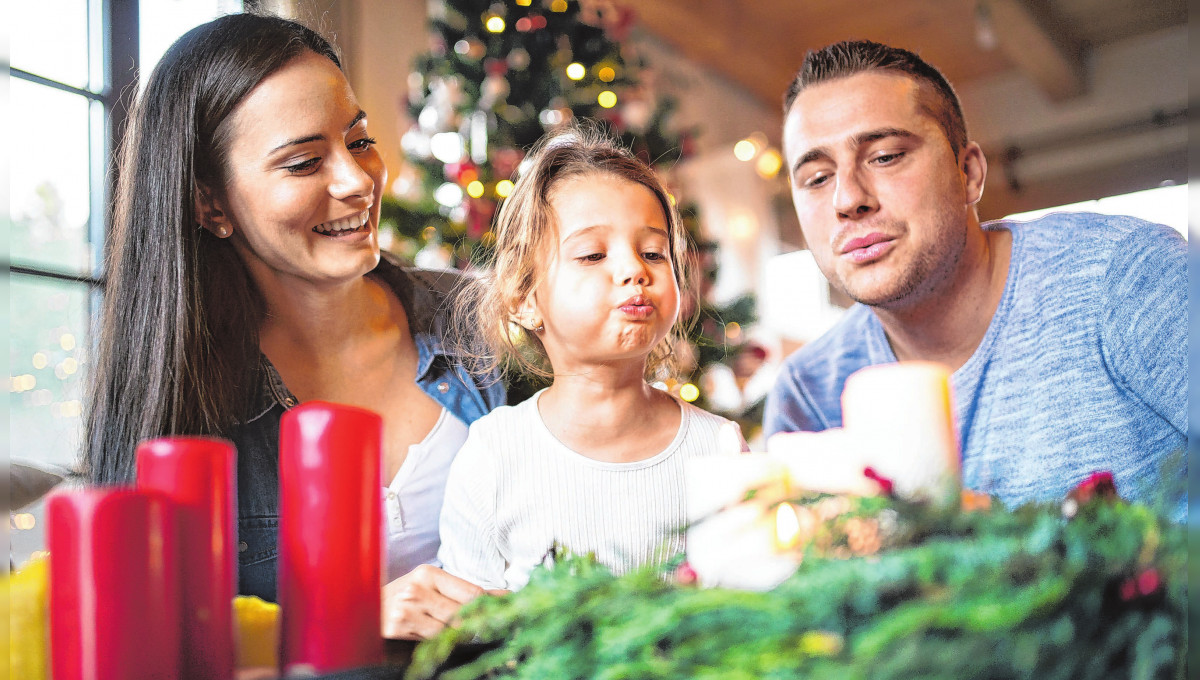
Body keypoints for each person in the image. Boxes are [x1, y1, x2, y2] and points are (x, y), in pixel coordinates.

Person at [83, 13, 505, 640]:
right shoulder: (180, 395)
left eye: (359, 140)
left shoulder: (482, 325)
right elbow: (149, 643)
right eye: (304, 162)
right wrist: (345, 627)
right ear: (210, 203)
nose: (358, 180)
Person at [764, 40, 1187, 519]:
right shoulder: (809, 392)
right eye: (817, 178)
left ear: (968, 173)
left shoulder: (1126, 278)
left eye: (884, 156)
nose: (848, 199)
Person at [438, 127, 746, 591]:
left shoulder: (718, 448)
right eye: (592, 254)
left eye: (652, 252)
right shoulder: (494, 455)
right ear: (525, 299)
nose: (634, 270)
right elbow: (463, 636)